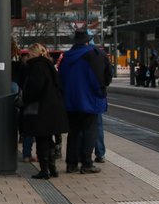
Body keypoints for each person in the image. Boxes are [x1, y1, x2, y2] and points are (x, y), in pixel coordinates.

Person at [58, 29, 109, 174]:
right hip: (91, 101)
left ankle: (71, 164)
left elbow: (60, 79)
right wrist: (100, 92)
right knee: (90, 131)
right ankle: (86, 163)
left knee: (73, 132)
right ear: (88, 41)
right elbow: (106, 77)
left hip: (70, 101)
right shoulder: (96, 54)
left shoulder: (66, 57)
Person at [19, 42, 68, 179]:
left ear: (33, 54)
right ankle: (52, 169)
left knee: (41, 140)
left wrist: (26, 98)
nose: (27, 56)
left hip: (41, 109)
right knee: (48, 139)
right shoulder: (48, 65)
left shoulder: (36, 66)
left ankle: (44, 170)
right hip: (53, 108)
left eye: (29, 54)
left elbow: (35, 88)